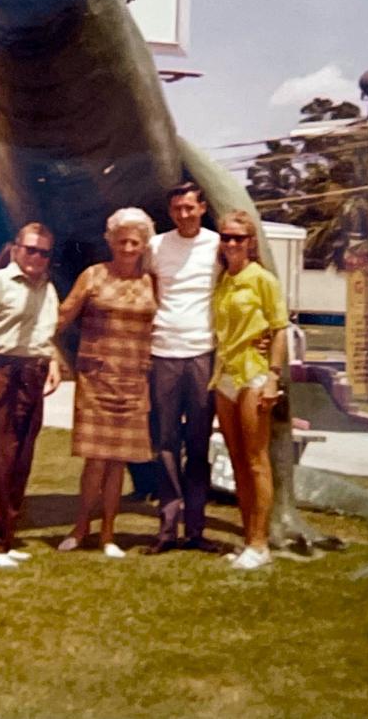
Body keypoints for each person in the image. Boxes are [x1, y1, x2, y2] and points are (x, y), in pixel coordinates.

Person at [55, 208, 157, 558]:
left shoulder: (151, 281)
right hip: (97, 379)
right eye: (122, 240)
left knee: (118, 460)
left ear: (144, 245)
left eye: (135, 242)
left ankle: (108, 535)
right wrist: (49, 354)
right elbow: (62, 316)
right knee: (96, 459)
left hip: (134, 379)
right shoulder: (93, 276)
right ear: (110, 241)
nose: (128, 248)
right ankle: (81, 527)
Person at [0, 223, 62, 569]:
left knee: (21, 459)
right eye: (30, 249)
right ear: (16, 248)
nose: (36, 257)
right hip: (1, 371)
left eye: (44, 252)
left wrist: (53, 362)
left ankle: (7, 537)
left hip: (32, 373)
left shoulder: (47, 288)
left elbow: (44, 332)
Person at [145, 182, 222, 554]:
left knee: (198, 443)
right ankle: (166, 530)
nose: (184, 214)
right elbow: (147, 291)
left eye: (190, 207)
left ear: (202, 208)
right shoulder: (157, 246)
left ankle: (196, 529)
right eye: (177, 208)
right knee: (165, 443)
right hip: (163, 353)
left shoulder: (218, 245)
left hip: (202, 353)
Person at [211, 210, 289, 571]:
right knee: (237, 460)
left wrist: (273, 376)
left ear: (250, 242)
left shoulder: (263, 280)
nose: (230, 243)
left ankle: (261, 543)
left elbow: (279, 328)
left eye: (237, 238)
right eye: (225, 236)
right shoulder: (224, 280)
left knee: (257, 460)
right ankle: (248, 540)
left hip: (254, 375)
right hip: (224, 376)